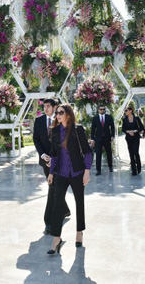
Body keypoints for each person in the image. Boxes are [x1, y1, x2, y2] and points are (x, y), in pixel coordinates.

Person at [47, 103, 92, 255]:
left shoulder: (77, 129)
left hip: (77, 172)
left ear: (68, 114)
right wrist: (51, 172)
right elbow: (53, 153)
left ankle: (79, 231)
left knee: (80, 202)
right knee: (57, 204)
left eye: (60, 112)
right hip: (61, 173)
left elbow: (87, 151)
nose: (57, 115)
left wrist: (87, 171)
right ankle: (56, 238)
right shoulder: (54, 131)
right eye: (56, 113)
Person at [33, 98, 70, 235]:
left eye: (49, 106)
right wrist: (43, 155)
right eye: (44, 106)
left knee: (53, 188)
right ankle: (64, 210)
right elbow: (36, 139)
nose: (46, 108)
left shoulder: (61, 119)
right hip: (45, 161)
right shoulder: (39, 121)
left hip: (59, 161)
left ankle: (49, 221)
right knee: (54, 187)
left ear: (55, 107)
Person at [90, 105, 115, 175]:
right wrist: (92, 138)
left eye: (103, 109)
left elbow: (112, 127)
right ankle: (98, 170)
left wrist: (112, 136)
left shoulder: (109, 117)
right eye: (101, 109)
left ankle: (110, 167)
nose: (102, 110)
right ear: (98, 110)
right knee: (98, 154)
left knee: (109, 153)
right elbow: (93, 129)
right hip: (98, 139)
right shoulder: (95, 118)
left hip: (107, 138)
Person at [122, 106, 144, 175]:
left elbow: (141, 127)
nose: (125, 112)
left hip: (136, 137)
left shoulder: (136, 118)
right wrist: (128, 131)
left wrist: (135, 131)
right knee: (131, 153)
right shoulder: (124, 119)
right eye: (125, 111)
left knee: (136, 152)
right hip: (128, 138)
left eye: (126, 110)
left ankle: (139, 167)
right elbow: (123, 129)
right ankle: (133, 170)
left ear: (130, 111)